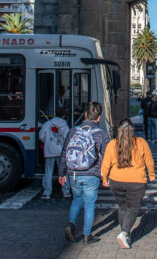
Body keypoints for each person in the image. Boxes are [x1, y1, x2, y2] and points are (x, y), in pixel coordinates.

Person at [59, 102, 110, 244]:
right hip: (91, 174)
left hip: (73, 173)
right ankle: (87, 235)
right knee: (89, 204)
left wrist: (62, 173)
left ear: (86, 115)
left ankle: (71, 224)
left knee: (77, 199)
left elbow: (64, 153)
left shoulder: (73, 131)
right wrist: (105, 177)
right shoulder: (102, 134)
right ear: (98, 118)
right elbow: (106, 158)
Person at [100, 118, 155, 249]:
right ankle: (124, 233)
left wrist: (104, 179)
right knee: (133, 208)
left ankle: (125, 234)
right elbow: (149, 161)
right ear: (133, 130)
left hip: (116, 180)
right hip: (136, 181)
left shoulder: (113, 143)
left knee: (123, 208)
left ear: (118, 130)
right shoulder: (141, 143)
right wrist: (151, 175)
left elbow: (105, 164)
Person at [39, 107, 71, 199]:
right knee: (63, 172)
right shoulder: (65, 125)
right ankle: (66, 191)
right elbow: (67, 138)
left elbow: (41, 136)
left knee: (48, 171)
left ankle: (47, 192)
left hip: (49, 150)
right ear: (63, 115)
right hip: (61, 150)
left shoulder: (47, 124)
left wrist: (48, 142)